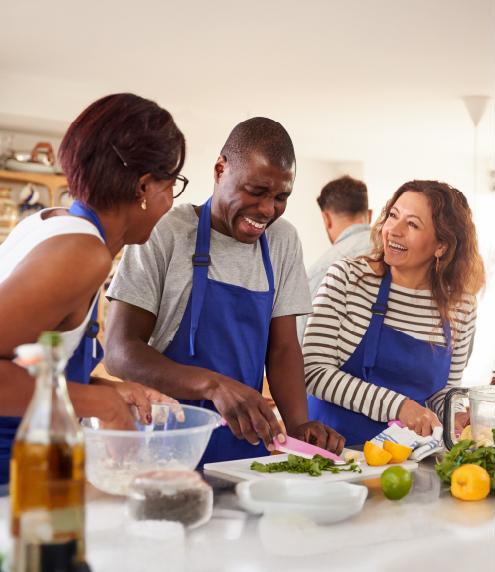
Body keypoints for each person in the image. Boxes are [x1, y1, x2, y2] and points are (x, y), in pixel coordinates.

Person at [104, 117, 345, 464]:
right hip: (168, 446)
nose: (267, 210)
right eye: (257, 191)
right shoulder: (165, 231)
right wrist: (213, 385)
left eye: (281, 197)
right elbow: (119, 352)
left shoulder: (282, 240)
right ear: (220, 170)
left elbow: (283, 348)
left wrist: (298, 424)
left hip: (245, 452)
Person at [0, 93, 185, 484]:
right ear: (144, 186)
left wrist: (106, 389)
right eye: (172, 186)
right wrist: (99, 403)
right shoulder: (84, 253)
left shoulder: (50, 222)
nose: (170, 202)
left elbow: (22, 362)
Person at [304, 180, 485, 444]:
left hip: (405, 458)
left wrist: (454, 416)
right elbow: (313, 370)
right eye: (392, 216)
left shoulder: (461, 307)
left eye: (412, 224)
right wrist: (400, 407)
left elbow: (443, 394)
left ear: (441, 246)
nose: (393, 231)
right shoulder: (348, 278)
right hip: (333, 452)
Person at [297, 175, 372, 341]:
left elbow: (301, 340)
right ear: (369, 214)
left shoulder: (322, 269)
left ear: (326, 218)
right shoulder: (394, 254)